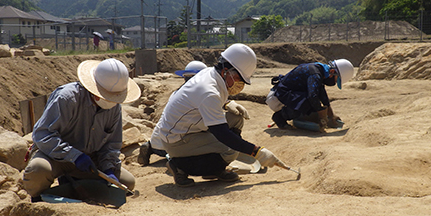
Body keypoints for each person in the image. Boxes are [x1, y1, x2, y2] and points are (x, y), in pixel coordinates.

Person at [153, 43, 286, 187]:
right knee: (231, 149)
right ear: (226, 71)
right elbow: (222, 133)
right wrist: (257, 152)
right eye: (239, 79)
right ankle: (180, 166)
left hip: (190, 128)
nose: (240, 84)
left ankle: (215, 166)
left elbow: (205, 101)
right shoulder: (208, 91)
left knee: (235, 119)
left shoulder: (211, 74)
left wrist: (227, 103)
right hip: (177, 140)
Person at [22, 58, 141, 202]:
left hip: (90, 160)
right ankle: (40, 202)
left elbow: (111, 145)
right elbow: (43, 134)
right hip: (57, 156)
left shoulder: (114, 108)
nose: (111, 101)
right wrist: (74, 156)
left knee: (127, 182)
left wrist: (109, 168)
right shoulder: (67, 98)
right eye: (107, 96)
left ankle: (76, 182)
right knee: (38, 170)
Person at [137, 60, 251, 166]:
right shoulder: (202, 91)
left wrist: (226, 103)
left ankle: (150, 147)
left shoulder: (181, 94)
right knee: (214, 137)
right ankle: (178, 163)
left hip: (160, 140)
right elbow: (210, 108)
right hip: (169, 147)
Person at [266, 59, 354, 131]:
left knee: (313, 104)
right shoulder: (315, 74)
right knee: (309, 101)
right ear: (332, 71)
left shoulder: (319, 71)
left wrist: (331, 115)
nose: (334, 83)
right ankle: (279, 117)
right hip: (277, 98)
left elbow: (322, 94)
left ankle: (299, 118)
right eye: (335, 80)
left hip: (287, 96)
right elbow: (313, 96)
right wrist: (322, 114)